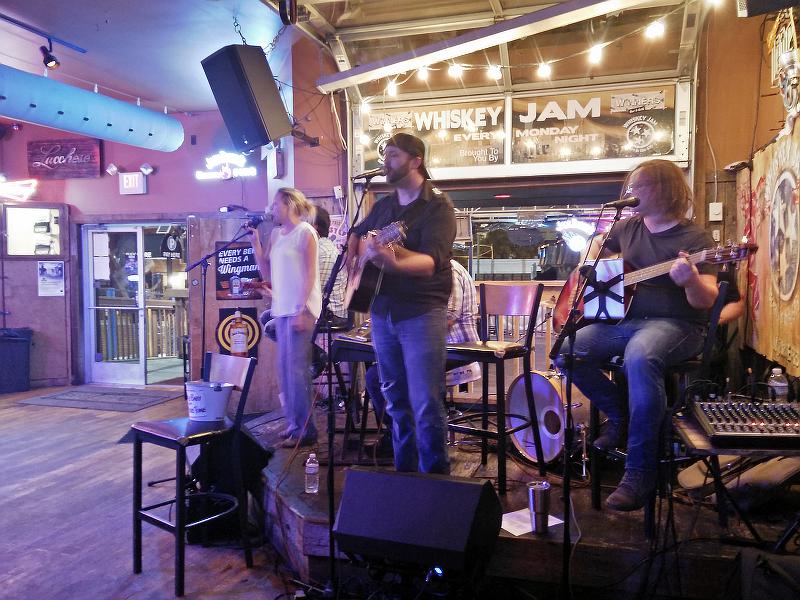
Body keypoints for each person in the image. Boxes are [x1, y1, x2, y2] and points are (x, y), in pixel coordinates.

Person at [562, 159, 719, 511]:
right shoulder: (629, 227)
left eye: (639, 186)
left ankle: (640, 472)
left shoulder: (696, 238)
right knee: (568, 351)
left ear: (664, 188)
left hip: (678, 325)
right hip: (628, 322)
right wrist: (594, 268)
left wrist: (690, 280)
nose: (631, 194)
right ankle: (620, 416)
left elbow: (706, 299)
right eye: (630, 187)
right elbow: (598, 247)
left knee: (640, 355)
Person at [348, 132, 456, 474]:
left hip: (422, 312)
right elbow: (357, 234)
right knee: (395, 400)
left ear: (416, 160)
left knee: (425, 402)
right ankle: (404, 476)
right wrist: (357, 261)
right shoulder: (384, 206)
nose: (386, 162)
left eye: (393, 155)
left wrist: (393, 261)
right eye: (385, 156)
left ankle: (435, 482)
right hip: (383, 312)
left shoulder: (437, 206)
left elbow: (430, 262)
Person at [365, 258, 479, 446]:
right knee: (383, 374)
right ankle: (402, 437)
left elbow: (445, 320)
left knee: (376, 377)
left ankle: (406, 438)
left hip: (457, 347)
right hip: (436, 345)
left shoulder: (449, 271)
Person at [249, 188, 322, 448]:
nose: (272, 208)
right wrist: (255, 242)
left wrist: (303, 309)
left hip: (300, 309)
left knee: (296, 371)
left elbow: (311, 274)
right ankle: (293, 423)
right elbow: (267, 269)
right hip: (281, 308)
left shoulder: (306, 232)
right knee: (284, 371)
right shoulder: (277, 234)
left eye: (276, 203)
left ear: (289, 203)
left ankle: (306, 430)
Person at [313, 207, 350, 329]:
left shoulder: (323, 252)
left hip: (332, 315)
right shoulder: (319, 248)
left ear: (314, 226)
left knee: (274, 323)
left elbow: (313, 291)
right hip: (322, 312)